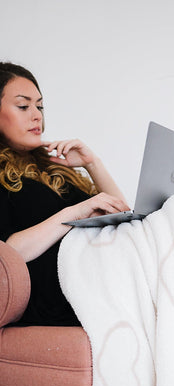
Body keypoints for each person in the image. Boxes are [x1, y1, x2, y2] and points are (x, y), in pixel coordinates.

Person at [0, 61, 129, 326]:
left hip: (99, 268)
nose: (36, 115)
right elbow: (7, 254)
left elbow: (122, 213)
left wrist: (92, 164)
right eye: (23, 106)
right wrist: (73, 213)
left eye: (40, 106)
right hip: (54, 291)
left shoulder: (53, 166)